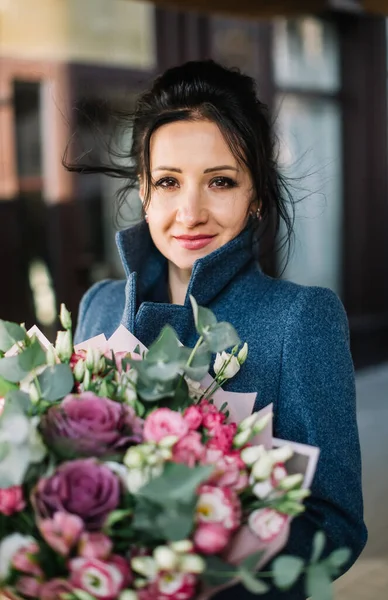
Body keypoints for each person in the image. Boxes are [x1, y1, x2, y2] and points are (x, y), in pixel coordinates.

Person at [72, 60, 367, 598]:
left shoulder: (300, 320)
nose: (191, 211)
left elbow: (336, 525)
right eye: (168, 181)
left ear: (255, 194)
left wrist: (198, 573)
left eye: (221, 182)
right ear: (144, 189)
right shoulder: (97, 308)